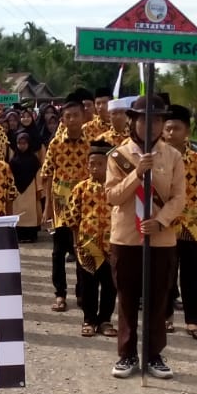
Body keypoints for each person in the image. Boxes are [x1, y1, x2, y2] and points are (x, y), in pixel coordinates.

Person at [104, 95, 186, 380]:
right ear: (133, 122)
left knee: (157, 298)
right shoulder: (117, 156)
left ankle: (154, 354)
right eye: (144, 120)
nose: (151, 126)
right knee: (126, 298)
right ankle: (127, 354)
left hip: (161, 239)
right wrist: (137, 174)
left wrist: (160, 221)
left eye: (157, 121)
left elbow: (179, 198)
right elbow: (112, 196)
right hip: (126, 237)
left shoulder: (174, 157)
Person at [164, 105, 197, 342]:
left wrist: (192, 212)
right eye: (168, 128)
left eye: (177, 128)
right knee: (165, 272)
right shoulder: (157, 157)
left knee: (192, 273)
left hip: (190, 225)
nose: (171, 133)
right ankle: (166, 317)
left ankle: (193, 321)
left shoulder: (196, 160)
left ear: (187, 131)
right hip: (164, 223)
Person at [40, 98, 91, 313]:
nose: (71, 120)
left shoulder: (92, 144)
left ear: (83, 117)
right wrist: (47, 208)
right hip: (60, 205)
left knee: (81, 249)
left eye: (75, 115)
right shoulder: (56, 144)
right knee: (58, 252)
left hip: (84, 205)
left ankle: (82, 292)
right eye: (67, 116)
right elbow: (47, 175)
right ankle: (60, 294)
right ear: (63, 119)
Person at [62, 140, 117, 338]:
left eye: (99, 164)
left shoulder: (116, 188)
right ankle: (89, 319)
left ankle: (105, 320)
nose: (94, 168)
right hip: (87, 245)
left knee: (110, 285)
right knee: (88, 285)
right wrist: (77, 242)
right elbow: (73, 219)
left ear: (108, 164)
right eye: (91, 164)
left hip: (111, 246)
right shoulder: (81, 188)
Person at [9, 130, 42, 243]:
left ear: (28, 144)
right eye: (19, 143)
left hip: (30, 190)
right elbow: (9, 176)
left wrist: (39, 189)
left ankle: (31, 235)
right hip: (17, 192)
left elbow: (38, 174)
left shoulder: (34, 159)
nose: (22, 146)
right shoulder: (13, 161)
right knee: (18, 213)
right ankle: (19, 235)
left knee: (30, 213)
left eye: (24, 143)